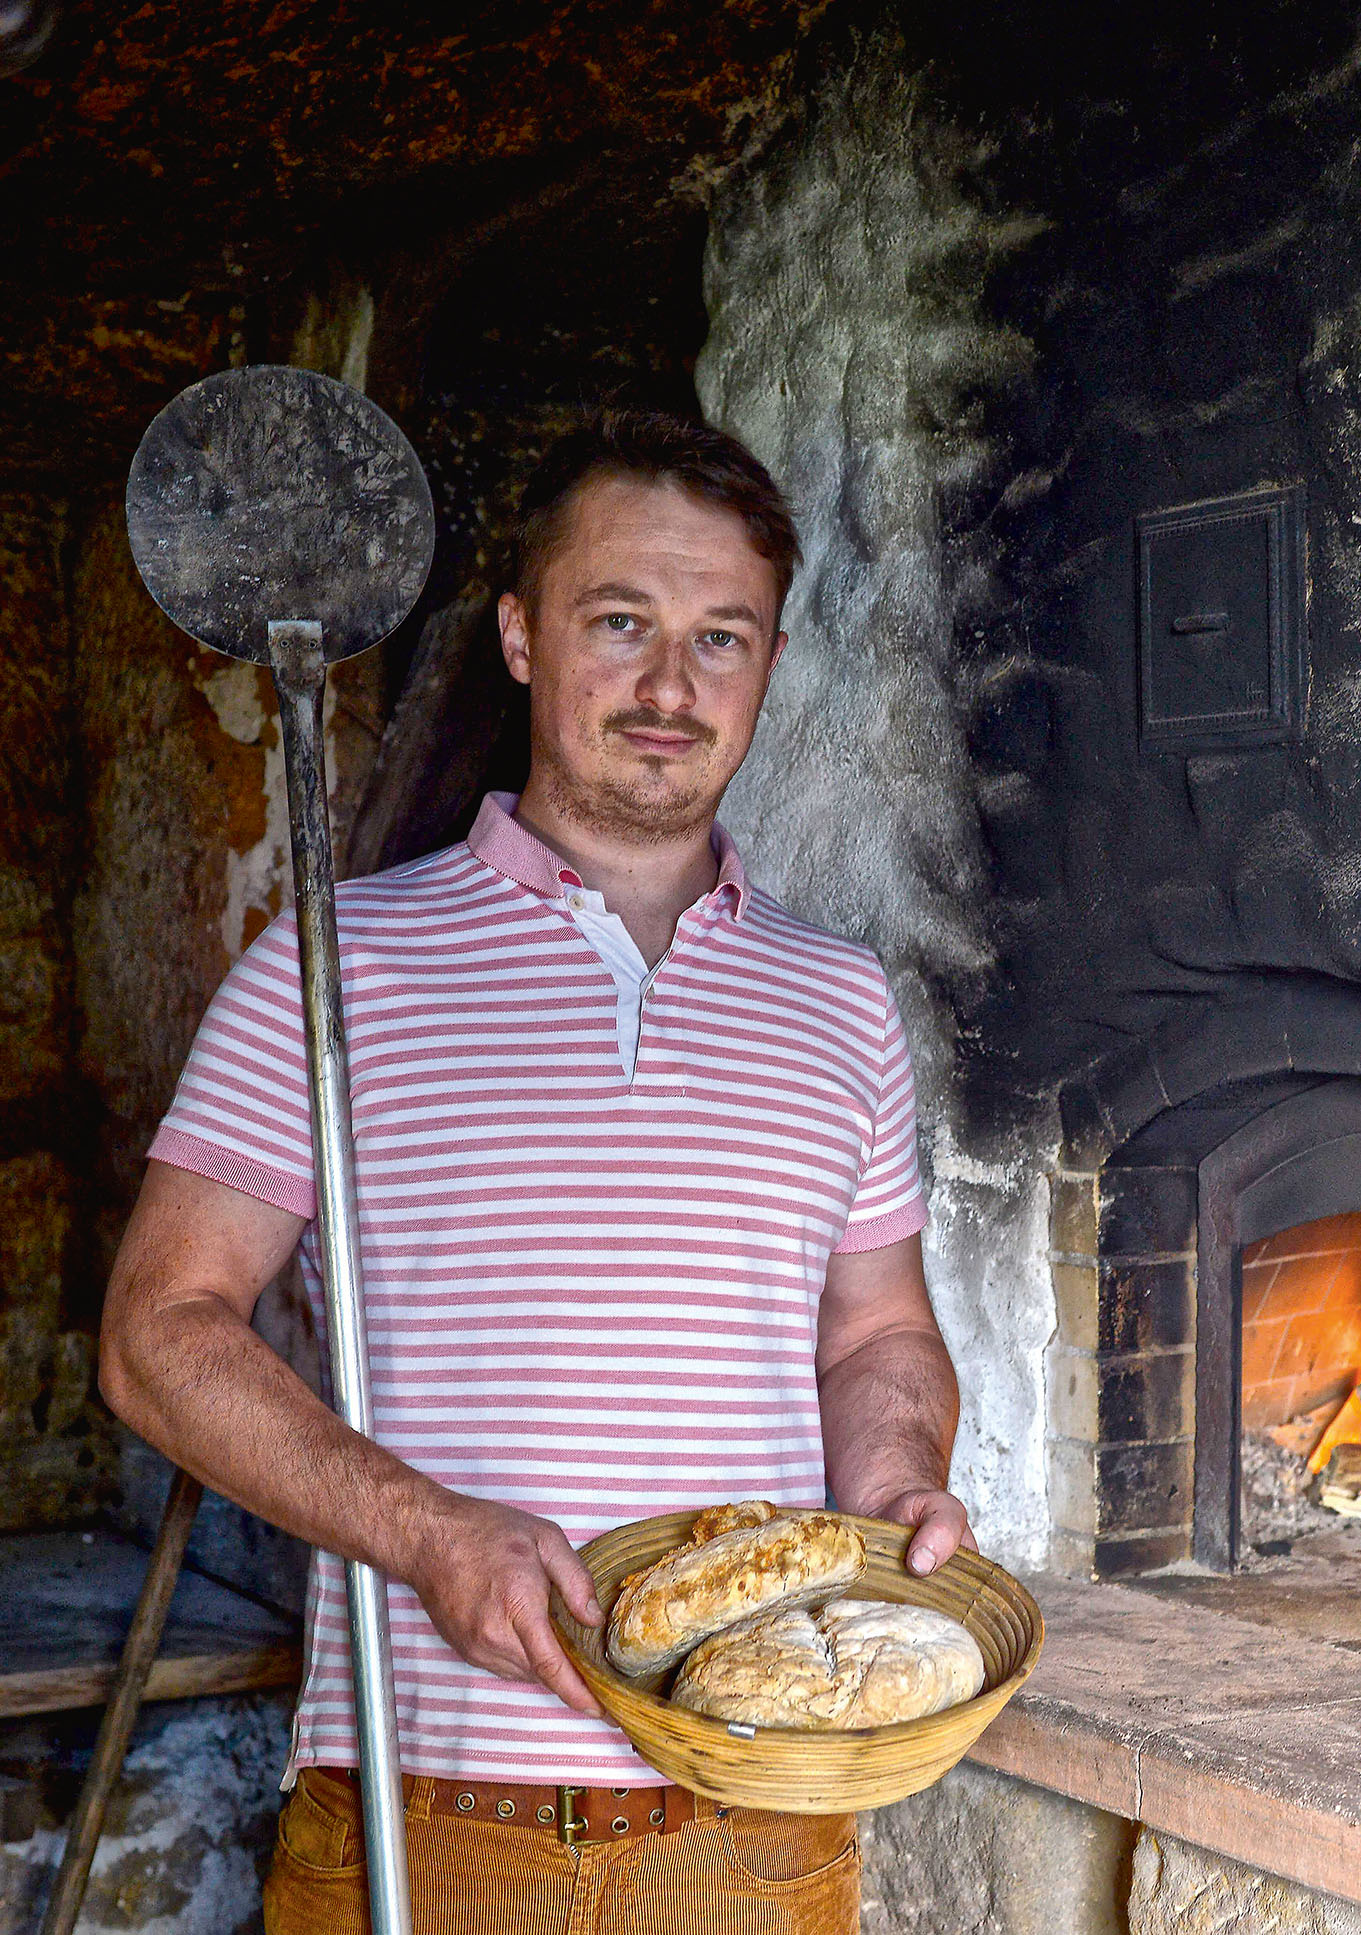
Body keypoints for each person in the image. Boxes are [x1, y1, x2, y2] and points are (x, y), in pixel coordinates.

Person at [99, 409, 974, 1935]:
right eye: (619, 622)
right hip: (425, 1822)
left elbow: (876, 1335)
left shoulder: (839, 1002)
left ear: (769, 666)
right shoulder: (334, 968)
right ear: (519, 634)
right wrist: (428, 1533)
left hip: (758, 1824)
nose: (666, 687)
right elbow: (157, 1336)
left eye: (722, 639)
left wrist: (895, 1481)